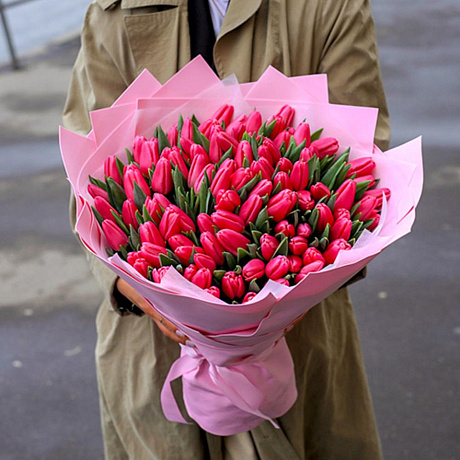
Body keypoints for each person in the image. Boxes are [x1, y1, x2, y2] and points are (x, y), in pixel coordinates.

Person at [63, 0, 390, 458]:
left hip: (299, 331)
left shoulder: (329, 6)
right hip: (150, 336)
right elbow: (86, 174)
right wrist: (122, 283)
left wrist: (303, 287)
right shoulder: (112, 11)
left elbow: (364, 164)